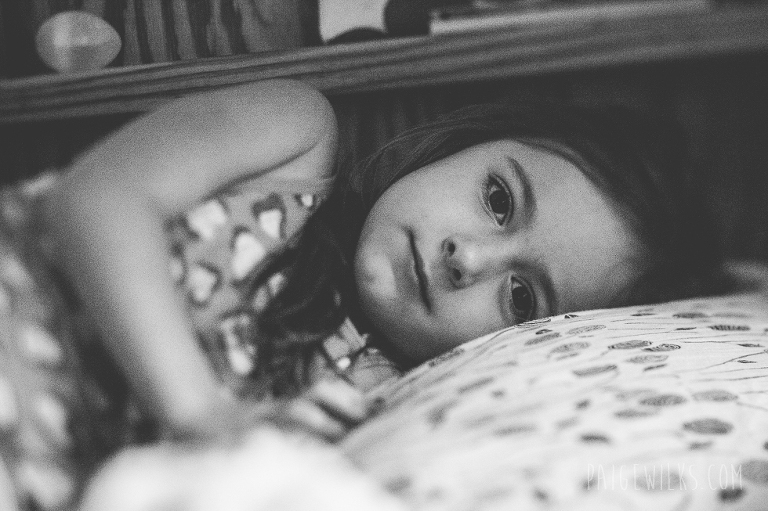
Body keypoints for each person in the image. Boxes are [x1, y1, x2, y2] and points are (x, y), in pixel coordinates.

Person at [0, 79, 729, 510]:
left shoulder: (365, 401)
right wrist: (196, 410)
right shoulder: (294, 141)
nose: (466, 255)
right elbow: (94, 199)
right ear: (459, 145)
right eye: (498, 198)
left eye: (519, 296)